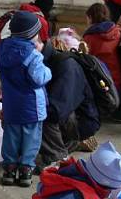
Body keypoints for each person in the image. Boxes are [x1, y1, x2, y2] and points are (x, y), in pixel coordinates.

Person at [0, 11, 52, 187]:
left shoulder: (2, 48)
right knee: (31, 138)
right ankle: (26, 169)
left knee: (11, 136)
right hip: (31, 105)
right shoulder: (32, 55)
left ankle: (9, 169)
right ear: (31, 34)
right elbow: (39, 78)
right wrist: (48, 70)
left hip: (11, 102)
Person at [37, 39, 101, 168]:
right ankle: (71, 142)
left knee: (36, 114)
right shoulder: (39, 61)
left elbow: (57, 111)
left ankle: (57, 157)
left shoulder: (66, 66)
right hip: (67, 112)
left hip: (81, 119)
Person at [82, 3, 121, 121]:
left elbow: (85, 59)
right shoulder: (119, 32)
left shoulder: (90, 37)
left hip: (103, 85)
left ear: (91, 17)